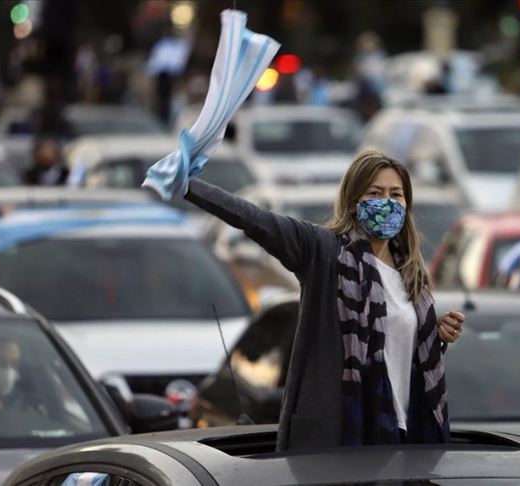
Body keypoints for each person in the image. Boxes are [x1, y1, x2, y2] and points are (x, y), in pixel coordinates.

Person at [183, 150, 465, 450]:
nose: (388, 202)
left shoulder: (410, 273)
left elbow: (400, 352)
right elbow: (256, 220)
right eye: (375, 192)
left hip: (406, 434)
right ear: (354, 202)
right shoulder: (324, 251)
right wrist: (190, 187)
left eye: (396, 194)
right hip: (343, 437)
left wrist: (434, 332)